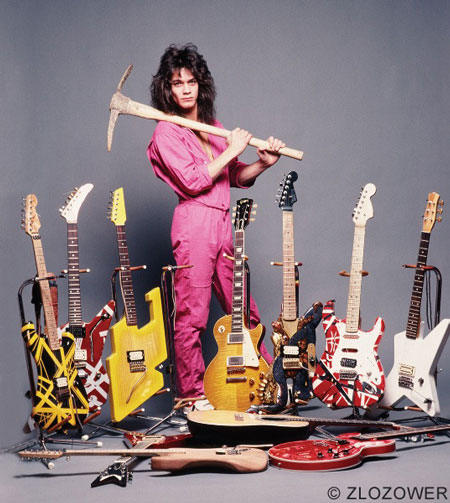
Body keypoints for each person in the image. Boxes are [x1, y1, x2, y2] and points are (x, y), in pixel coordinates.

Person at [147, 43, 285, 413]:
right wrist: (230, 148)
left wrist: (262, 163)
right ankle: (191, 396)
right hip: (194, 223)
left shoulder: (213, 127)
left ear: (201, 84)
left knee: (245, 311)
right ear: (168, 89)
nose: (186, 89)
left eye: (192, 81)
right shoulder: (166, 133)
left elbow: (232, 176)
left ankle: (267, 386)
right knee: (192, 315)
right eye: (178, 83)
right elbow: (194, 181)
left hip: (224, 222)